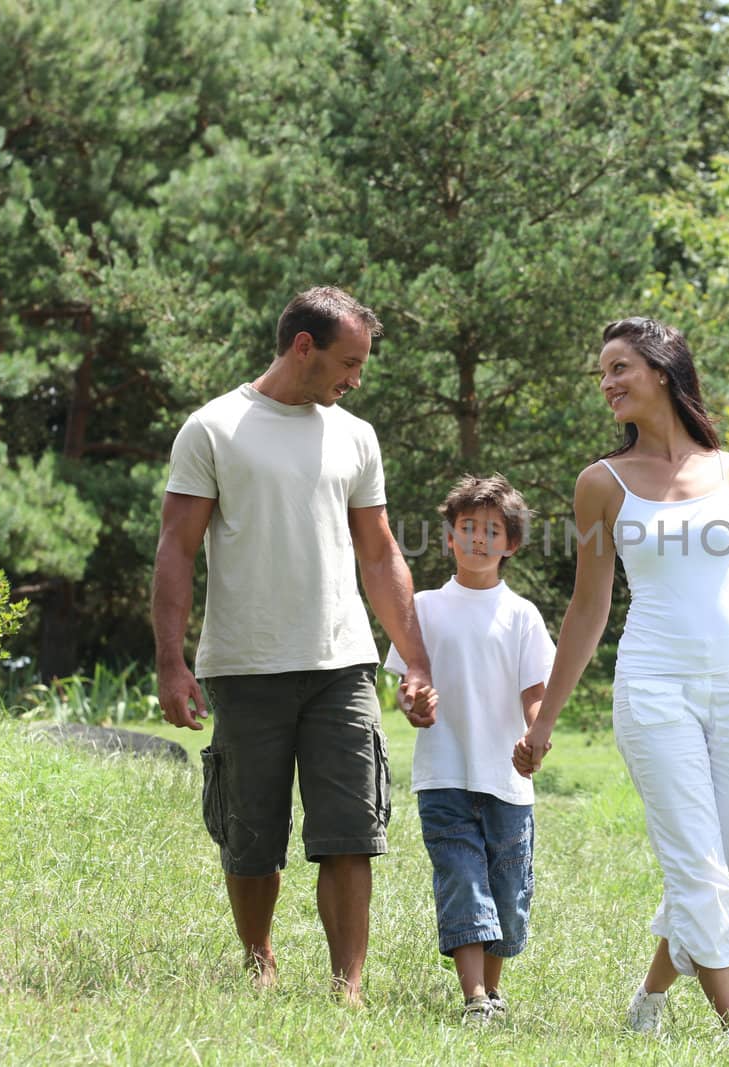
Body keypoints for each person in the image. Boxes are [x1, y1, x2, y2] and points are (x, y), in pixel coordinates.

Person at [513, 317, 729, 1040]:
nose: (608, 383)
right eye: (602, 373)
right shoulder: (600, 484)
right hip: (654, 690)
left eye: (620, 368)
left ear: (663, 369)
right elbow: (588, 607)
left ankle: (647, 1001)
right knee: (698, 861)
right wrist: (545, 718)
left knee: (713, 864)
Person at [151, 285, 437, 1006]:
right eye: (348, 361)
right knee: (251, 839)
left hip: (342, 664)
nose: (356, 378)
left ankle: (349, 989)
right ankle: (259, 960)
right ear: (302, 346)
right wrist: (171, 661)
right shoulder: (214, 428)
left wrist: (415, 658)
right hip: (246, 666)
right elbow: (176, 549)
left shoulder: (354, 434)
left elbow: (380, 553)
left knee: (351, 833)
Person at [383, 474, 555, 1026]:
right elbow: (408, 687)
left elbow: (536, 694)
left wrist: (536, 735)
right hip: (444, 773)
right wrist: (414, 706)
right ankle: (475, 997)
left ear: (512, 544)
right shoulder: (424, 609)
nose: (479, 539)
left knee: (508, 889)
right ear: (449, 537)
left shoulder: (522, 615)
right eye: (468, 528)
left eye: (492, 530)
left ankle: (493, 992)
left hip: (507, 780)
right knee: (461, 877)